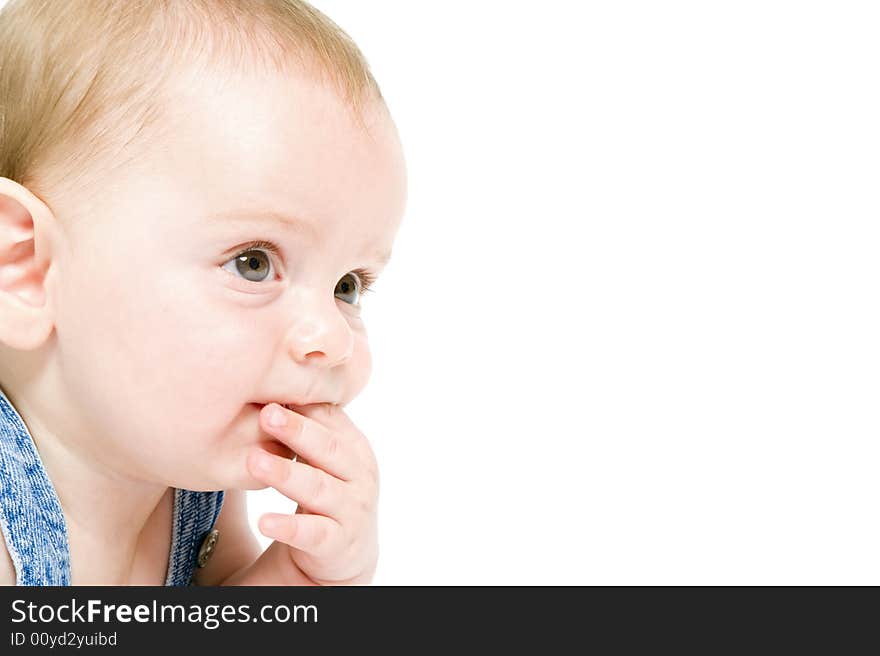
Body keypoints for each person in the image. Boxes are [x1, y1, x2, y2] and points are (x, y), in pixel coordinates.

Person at [0, 0, 407, 585]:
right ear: (26, 270)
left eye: (347, 285)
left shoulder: (194, 485)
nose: (332, 339)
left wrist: (303, 577)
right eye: (252, 263)